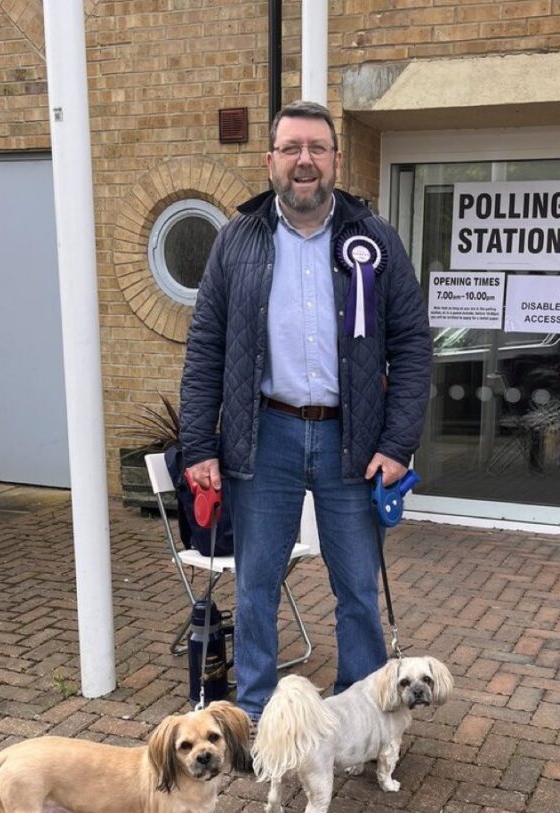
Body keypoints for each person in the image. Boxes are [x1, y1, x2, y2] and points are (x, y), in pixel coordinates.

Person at [179, 100, 432, 724]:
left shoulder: (373, 239)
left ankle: (362, 713)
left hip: (355, 438)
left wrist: (398, 445)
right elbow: (205, 344)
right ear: (270, 160)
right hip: (265, 435)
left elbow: (412, 343)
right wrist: (199, 444)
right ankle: (262, 716)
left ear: (336, 161)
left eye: (317, 148)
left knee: (356, 591)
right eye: (291, 148)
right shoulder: (237, 240)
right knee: (257, 584)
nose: (304, 161)